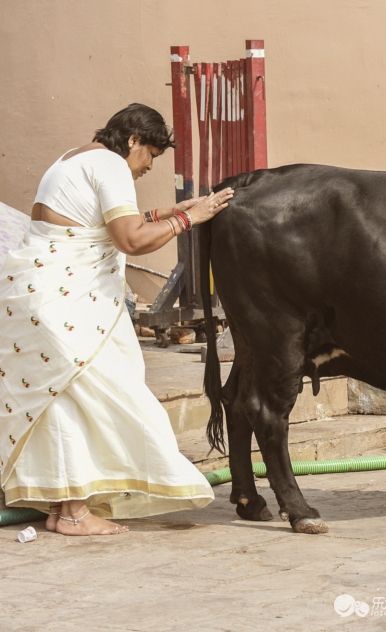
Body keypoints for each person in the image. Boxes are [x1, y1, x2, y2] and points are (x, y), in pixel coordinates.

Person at [0, 103, 234, 536]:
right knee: (104, 394)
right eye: (150, 155)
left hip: (35, 294)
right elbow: (128, 240)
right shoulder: (111, 166)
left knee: (62, 399)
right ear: (133, 141)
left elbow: (96, 225)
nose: (148, 167)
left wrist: (170, 210)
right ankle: (72, 513)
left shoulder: (73, 157)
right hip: (63, 300)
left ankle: (62, 510)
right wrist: (191, 218)